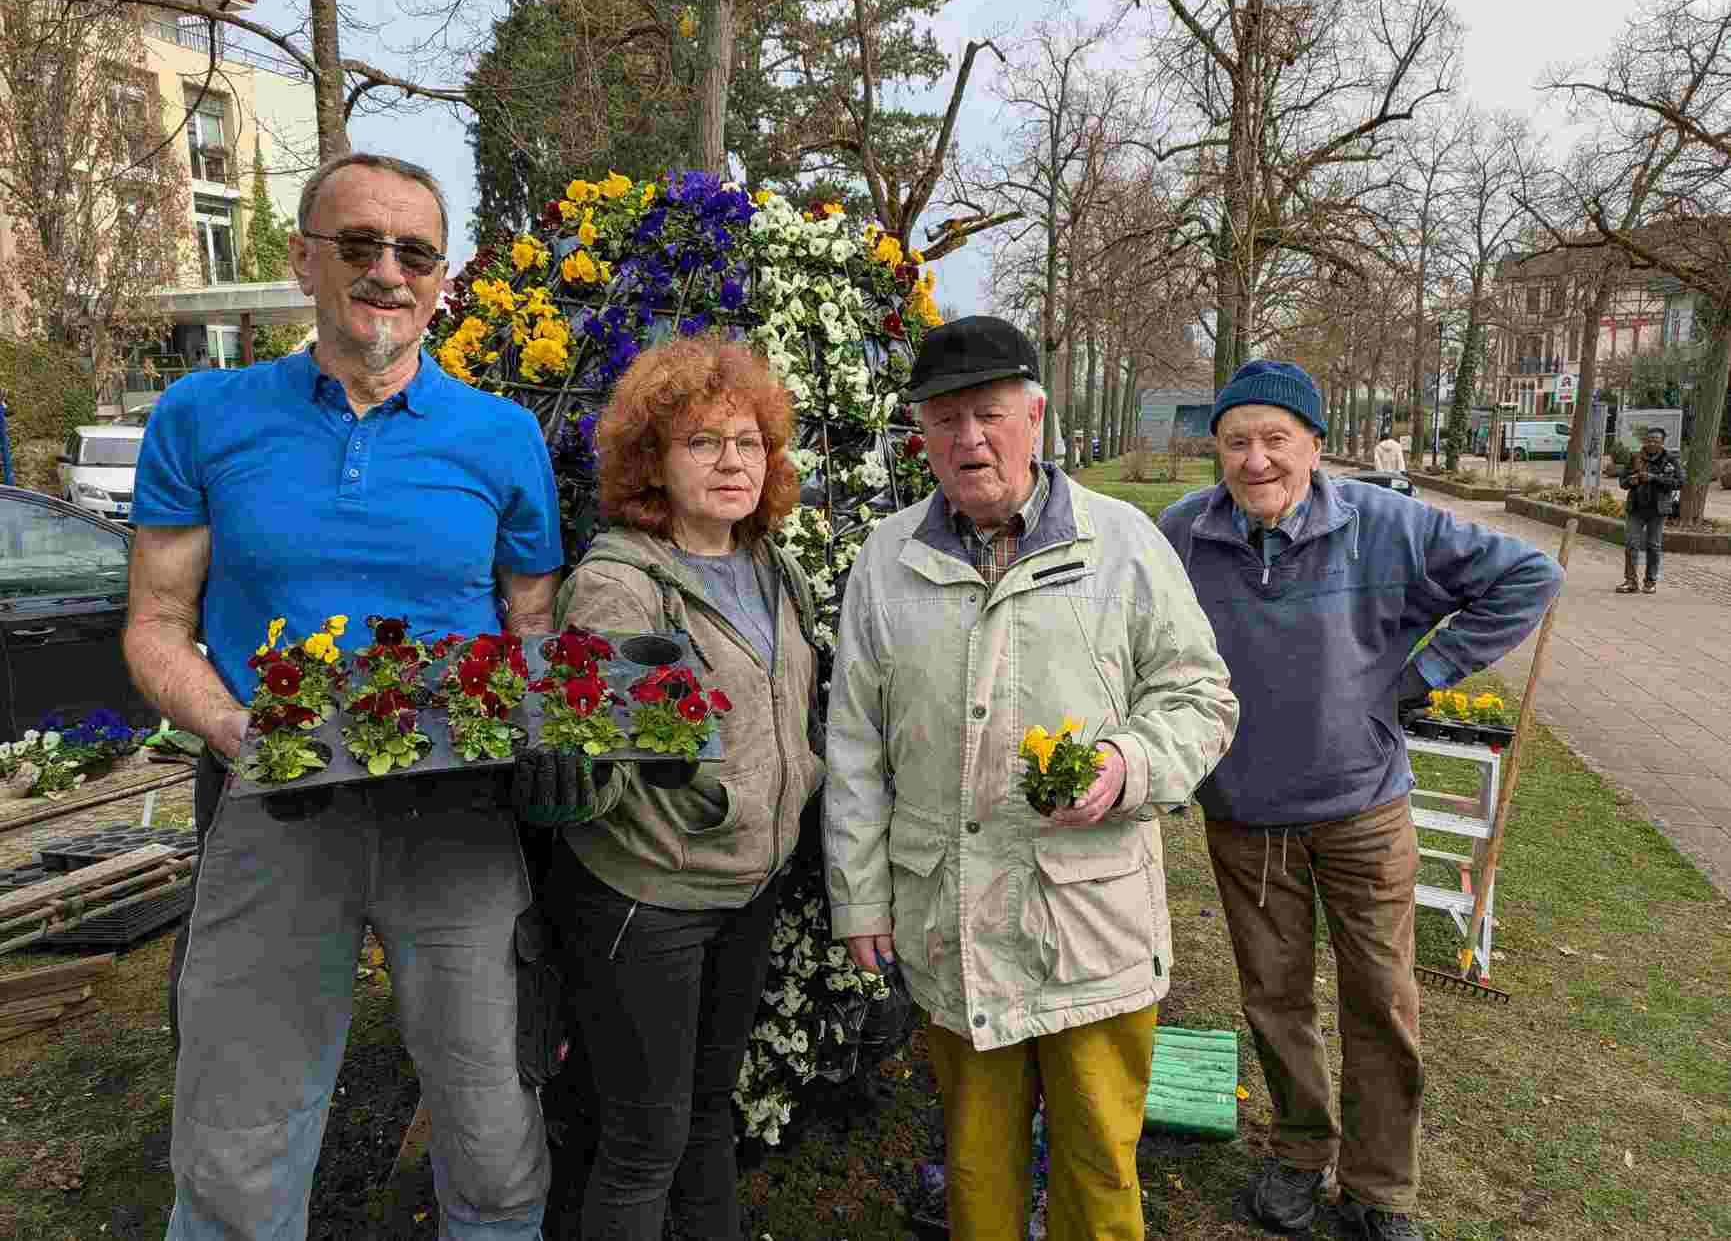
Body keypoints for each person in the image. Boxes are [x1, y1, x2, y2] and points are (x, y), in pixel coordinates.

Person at [126, 152, 562, 1240]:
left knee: (495, 1127)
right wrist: (238, 727)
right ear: (302, 260)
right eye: (358, 244)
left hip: (456, 818)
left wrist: (553, 730)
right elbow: (155, 624)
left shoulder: (503, 438)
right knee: (237, 1136)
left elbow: (534, 629)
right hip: (275, 807)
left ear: (442, 276)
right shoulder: (204, 415)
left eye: (413, 252)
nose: (386, 271)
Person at [823, 315, 1239, 1241]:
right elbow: (853, 742)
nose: (969, 438)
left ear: (1035, 416)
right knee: (977, 1165)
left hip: (1088, 923)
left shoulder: (1122, 544)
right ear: (918, 435)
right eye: (944, 420)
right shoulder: (885, 559)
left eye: (989, 413)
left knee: (1099, 1160)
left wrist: (1128, 765)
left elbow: (1201, 698)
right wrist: (859, 898)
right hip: (952, 918)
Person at [1157, 360, 1564, 1241]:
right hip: (1244, 816)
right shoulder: (1180, 536)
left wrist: (1422, 674)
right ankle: (1301, 1155)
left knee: (1379, 999)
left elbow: (1526, 575)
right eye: (1236, 441)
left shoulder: (1385, 525)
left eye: (1275, 439)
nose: (1255, 460)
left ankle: (1380, 1189)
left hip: (1361, 813)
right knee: (1274, 998)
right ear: (1215, 450)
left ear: (1313, 443)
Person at [547, 337, 824, 1241]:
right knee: (641, 1142)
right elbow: (598, 767)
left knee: (711, 1114)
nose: (731, 462)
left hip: (745, 887)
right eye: (702, 443)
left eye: (747, 442)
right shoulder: (620, 587)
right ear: (653, 463)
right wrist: (703, 804)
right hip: (651, 896)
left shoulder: (769, 569)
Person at [1618, 426, 1681, 594]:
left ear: (1662, 442)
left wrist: (1655, 478)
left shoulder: (1670, 459)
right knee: (1631, 543)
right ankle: (1630, 581)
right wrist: (1630, 481)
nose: (1652, 443)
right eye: (1649, 440)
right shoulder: (1635, 458)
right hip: (1636, 508)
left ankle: (1650, 581)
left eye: (1656, 441)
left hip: (1658, 509)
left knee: (1653, 545)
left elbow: (1679, 482)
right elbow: (1622, 482)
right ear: (1644, 441)